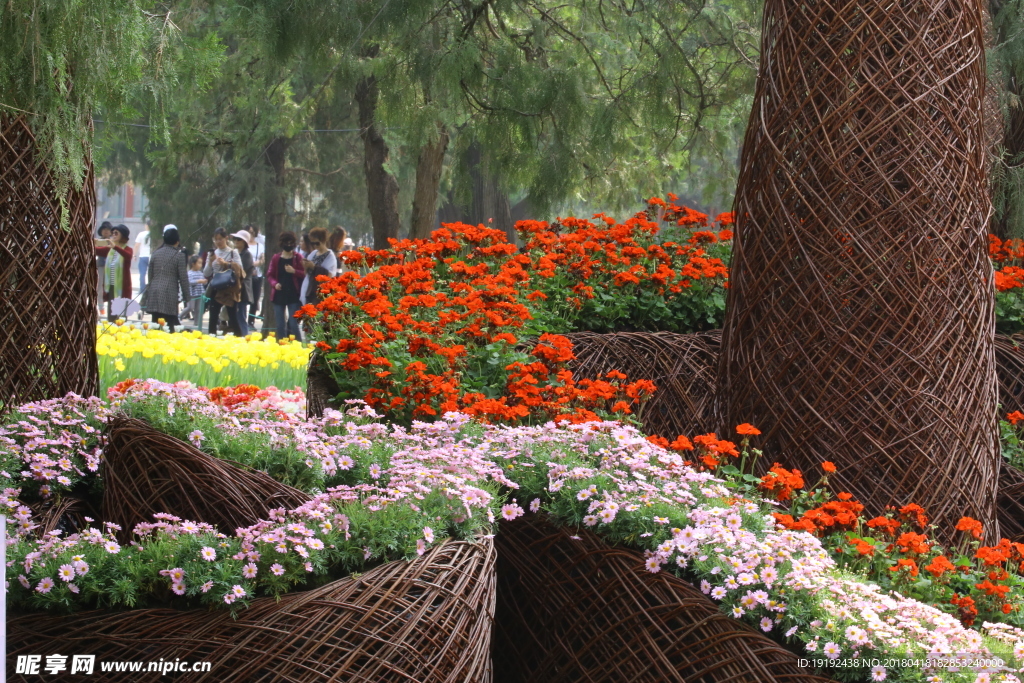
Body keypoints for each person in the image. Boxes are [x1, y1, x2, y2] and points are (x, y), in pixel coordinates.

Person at [141, 227, 190, 332]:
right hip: (169, 294)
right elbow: (183, 278)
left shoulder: (155, 253)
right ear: (177, 241)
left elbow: (150, 275)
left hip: (154, 292)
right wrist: (187, 297)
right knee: (169, 326)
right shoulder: (179, 255)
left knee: (155, 325)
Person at [203, 228, 242, 336]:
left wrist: (226, 264)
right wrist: (211, 262)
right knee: (213, 316)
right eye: (216, 239)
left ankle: (239, 338)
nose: (218, 242)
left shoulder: (233, 253)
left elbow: (240, 269)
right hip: (216, 286)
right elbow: (206, 273)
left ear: (226, 238)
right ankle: (212, 336)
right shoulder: (213, 254)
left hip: (229, 287)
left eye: (220, 239)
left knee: (232, 316)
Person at [267, 231, 305, 340]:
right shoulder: (276, 258)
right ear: (281, 243)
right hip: (279, 294)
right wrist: (275, 284)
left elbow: (304, 274)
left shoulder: (298, 257)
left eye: (291, 243)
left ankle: (298, 345)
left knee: (293, 324)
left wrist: (294, 271)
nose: (288, 245)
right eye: (286, 243)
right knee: (280, 325)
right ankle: (282, 345)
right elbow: (270, 275)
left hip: (293, 294)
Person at [94, 224, 133, 321]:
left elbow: (127, 256)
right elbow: (96, 250)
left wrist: (115, 247)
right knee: (111, 315)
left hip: (122, 287)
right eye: (112, 233)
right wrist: (92, 242)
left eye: (116, 233)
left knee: (121, 316)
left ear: (123, 235)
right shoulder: (109, 249)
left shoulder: (128, 249)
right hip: (111, 287)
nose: (113, 235)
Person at [300, 227, 338, 307]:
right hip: (309, 289)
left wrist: (314, 267)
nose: (315, 246)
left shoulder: (330, 256)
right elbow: (307, 273)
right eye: (312, 243)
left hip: (320, 293)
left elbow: (330, 275)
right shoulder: (313, 253)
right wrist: (306, 265)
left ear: (323, 241)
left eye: (317, 243)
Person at [231, 229, 256, 336]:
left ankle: (245, 336)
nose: (236, 241)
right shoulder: (235, 253)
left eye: (239, 239)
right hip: (235, 288)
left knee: (241, 315)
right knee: (235, 315)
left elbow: (242, 272)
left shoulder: (247, 255)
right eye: (235, 239)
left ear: (244, 242)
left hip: (243, 289)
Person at [245, 224, 266, 328]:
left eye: (253, 232)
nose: (251, 234)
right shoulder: (243, 245)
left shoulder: (260, 246)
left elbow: (263, 259)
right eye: (249, 232)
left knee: (255, 298)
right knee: (244, 298)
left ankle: (251, 321)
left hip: (257, 275)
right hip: (245, 275)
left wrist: (255, 264)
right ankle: (242, 320)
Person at [181, 255, 207, 323]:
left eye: (201, 263)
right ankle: (179, 316)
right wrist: (198, 281)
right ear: (193, 264)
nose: (200, 265)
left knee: (198, 309)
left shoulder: (200, 273)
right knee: (190, 307)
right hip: (191, 293)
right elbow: (189, 282)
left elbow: (203, 282)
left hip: (199, 293)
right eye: (199, 263)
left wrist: (204, 282)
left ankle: (197, 324)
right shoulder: (189, 273)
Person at [95, 222, 113, 313]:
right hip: (101, 265)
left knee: (111, 287)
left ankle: (111, 307)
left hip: (112, 268)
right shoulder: (97, 241)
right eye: (104, 229)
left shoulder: (113, 242)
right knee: (99, 286)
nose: (106, 231)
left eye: (108, 229)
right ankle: (101, 307)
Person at [134, 225, 153, 296]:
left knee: (142, 274)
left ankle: (142, 290)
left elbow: (136, 245)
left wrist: (134, 255)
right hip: (152, 256)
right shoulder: (154, 234)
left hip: (143, 256)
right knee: (152, 273)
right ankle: (151, 289)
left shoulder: (141, 234)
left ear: (146, 225)